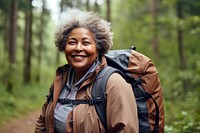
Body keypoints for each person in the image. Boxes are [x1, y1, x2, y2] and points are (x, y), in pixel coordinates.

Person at [35, 9, 138, 133]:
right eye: (72, 42)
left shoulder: (114, 83)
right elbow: (43, 122)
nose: (78, 48)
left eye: (86, 43)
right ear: (64, 46)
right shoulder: (61, 80)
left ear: (98, 48)